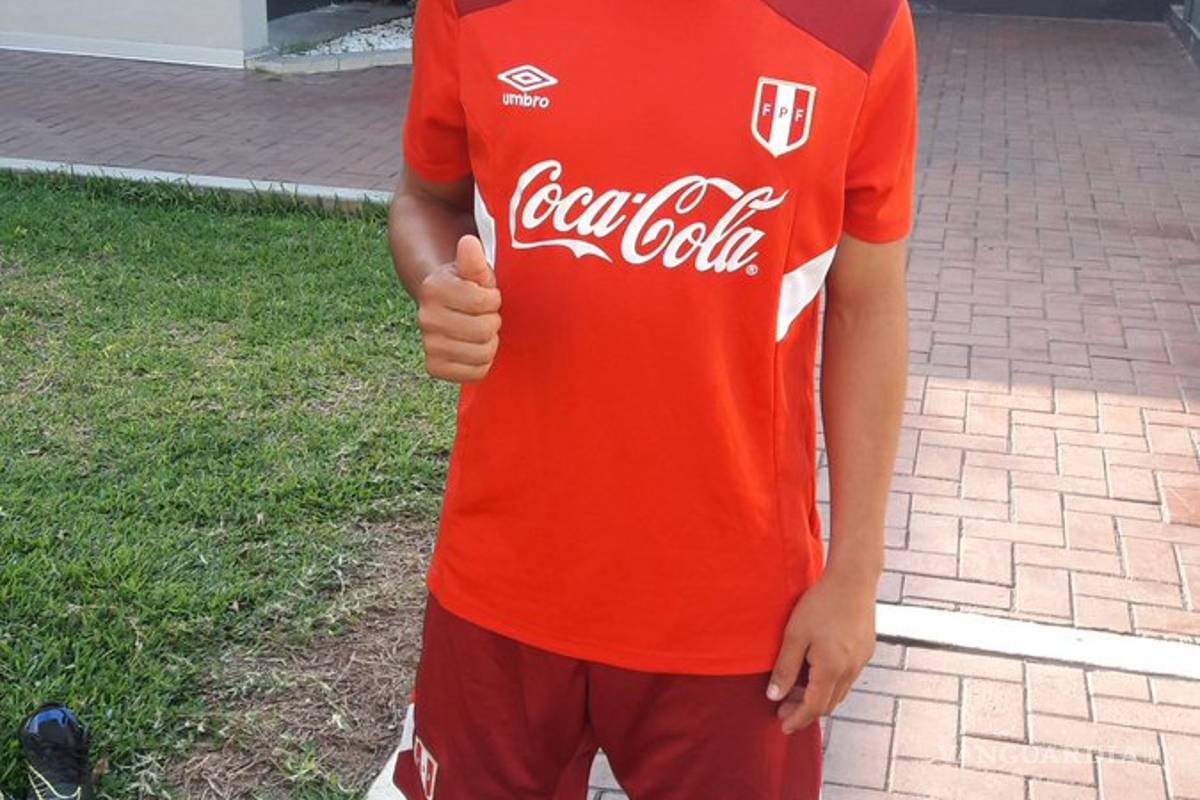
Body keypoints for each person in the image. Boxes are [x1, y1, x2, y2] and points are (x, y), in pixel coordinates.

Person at [387, 0, 916, 796]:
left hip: (737, 612)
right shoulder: (466, 8)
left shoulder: (860, 21)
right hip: (502, 580)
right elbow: (426, 198)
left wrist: (855, 577)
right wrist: (436, 278)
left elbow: (866, 303)